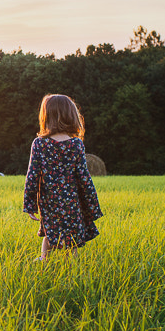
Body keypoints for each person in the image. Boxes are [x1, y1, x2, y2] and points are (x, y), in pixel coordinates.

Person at [22, 94, 103, 260]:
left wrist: (29, 205)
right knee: (71, 239)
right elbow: (84, 177)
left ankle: (44, 260)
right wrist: (92, 205)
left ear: (46, 116)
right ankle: (71, 269)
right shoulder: (76, 144)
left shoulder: (39, 144)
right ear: (71, 115)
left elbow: (32, 176)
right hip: (71, 200)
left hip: (48, 200)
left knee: (49, 233)